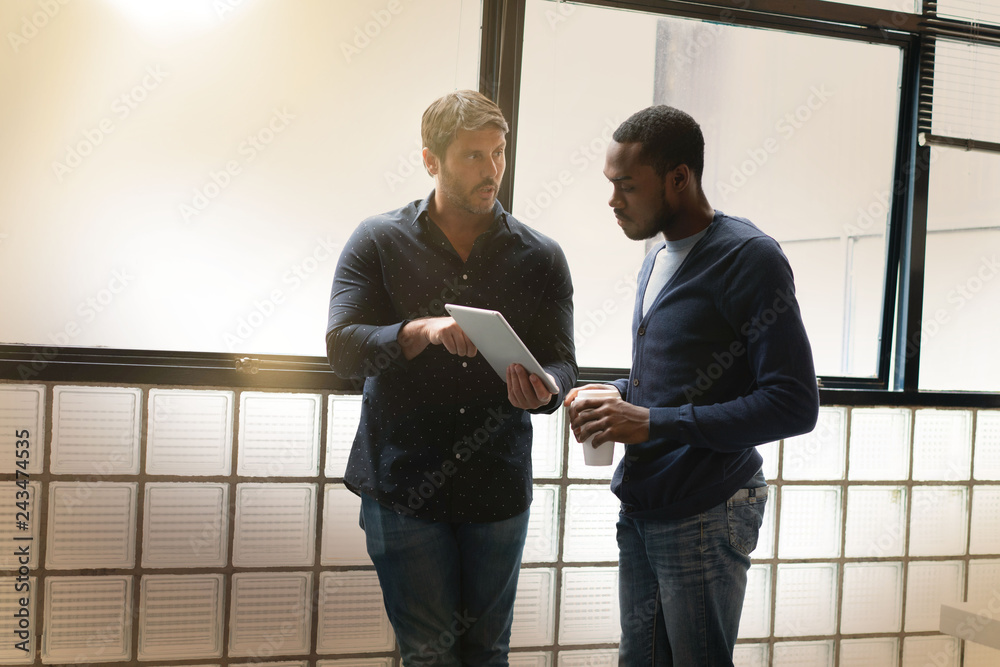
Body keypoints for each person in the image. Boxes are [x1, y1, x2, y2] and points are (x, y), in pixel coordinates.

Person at [326, 90, 577, 667]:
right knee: (429, 656)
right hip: (402, 483)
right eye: (472, 156)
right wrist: (422, 331)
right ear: (430, 161)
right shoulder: (378, 239)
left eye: (499, 153)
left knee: (488, 654)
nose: (491, 171)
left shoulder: (542, 256)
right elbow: (342, 349)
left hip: (498, 484)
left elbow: (563, 361)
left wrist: (546, 389)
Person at [565, 105, 819, 666]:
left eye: (627, 186)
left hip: (708, 509)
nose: (613, 200)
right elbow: (672, 378)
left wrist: (652, 421)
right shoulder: (655, 254)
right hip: (643, 503)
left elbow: (794, 404)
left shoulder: (749, 258)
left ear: (679, 178)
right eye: (611, 184)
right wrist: (613, 393)